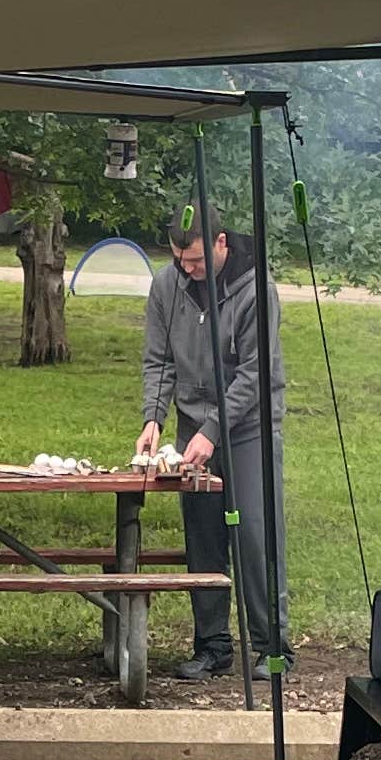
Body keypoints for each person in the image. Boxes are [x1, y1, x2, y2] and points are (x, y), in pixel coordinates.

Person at [133, 222, 265, 681]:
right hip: (195, 424)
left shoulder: (255, 290)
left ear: (221, 242)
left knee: (254, 532)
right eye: (180, 261)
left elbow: (253, 375)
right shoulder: (168, 285)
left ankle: (272, 645)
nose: (188, 271)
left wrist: (213, 431)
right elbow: (160, 360)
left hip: (249, 426)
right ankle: (213, 645)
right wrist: (154, 418)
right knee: (203, 534)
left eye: (196, 261)